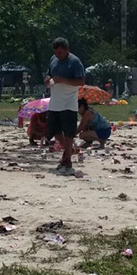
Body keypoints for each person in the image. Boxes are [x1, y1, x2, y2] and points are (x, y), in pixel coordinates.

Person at [44, 37, 85, 176]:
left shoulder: (75, 62)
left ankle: (67, 161)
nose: (58, 56)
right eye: (56, 53)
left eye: (61, 53)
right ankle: (69, 151)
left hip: (69, 101)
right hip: (55, 100)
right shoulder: (53, 59)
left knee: (68, 132)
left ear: (67, 50)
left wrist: (64, 80)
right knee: (54, 130)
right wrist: (47, 79)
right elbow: (49, 73)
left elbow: (81, 81)